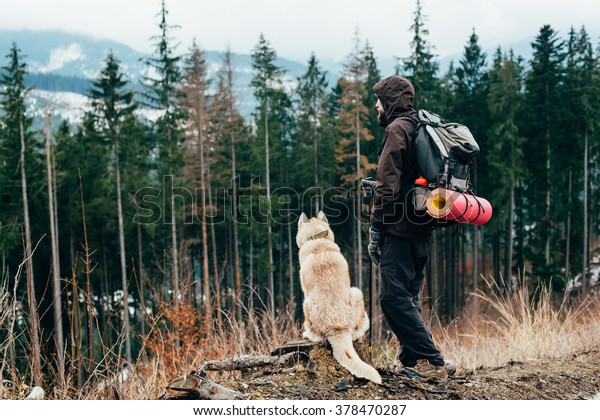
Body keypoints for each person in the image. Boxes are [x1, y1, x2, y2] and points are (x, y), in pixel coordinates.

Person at [367, 75, 451, 379]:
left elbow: (387, 186)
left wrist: (377, 229)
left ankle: (434, 361)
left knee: (392, 297)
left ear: (389, 101)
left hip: (398, 230)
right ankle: (410, 362)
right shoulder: (421, 126)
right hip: (422, 227)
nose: (376, 106)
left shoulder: (396, 130)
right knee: (409, 296)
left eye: (378, 100)